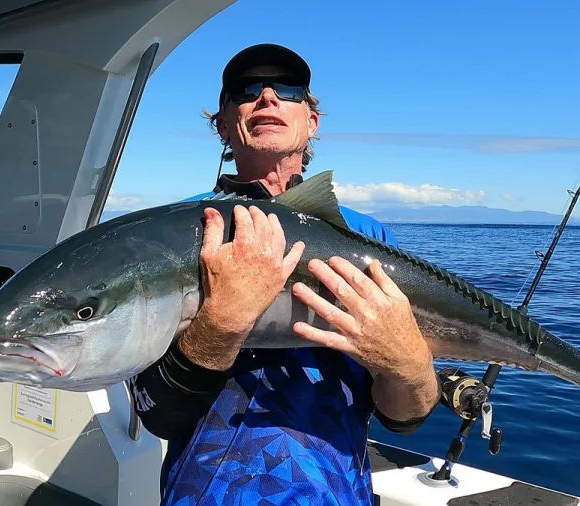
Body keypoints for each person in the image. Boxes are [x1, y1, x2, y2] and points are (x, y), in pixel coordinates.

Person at [130, 43, 440, 505]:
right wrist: (220, 324)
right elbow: (158, 415)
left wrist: (411, 366)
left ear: (311, 122)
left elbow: (405, 417)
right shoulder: (187, 232)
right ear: (222, 124)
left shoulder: (369, 237)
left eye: (288, 90)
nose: (268, 97)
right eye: (246, 89)